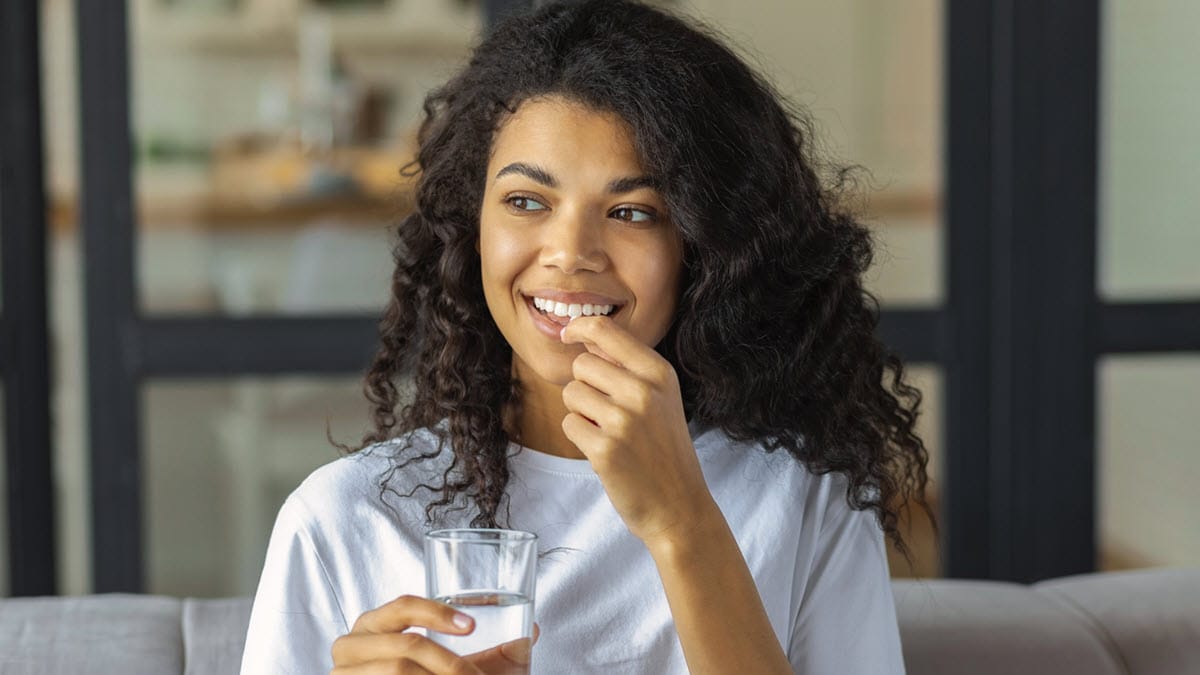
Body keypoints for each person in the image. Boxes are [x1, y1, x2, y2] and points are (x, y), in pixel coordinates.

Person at [240, 0, 934, 673]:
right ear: (471, 224)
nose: (570, 252)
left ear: (706, 246)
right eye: (526, 201)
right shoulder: (344, 521)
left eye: (632, 211)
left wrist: (681, 520)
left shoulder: (804, 500)